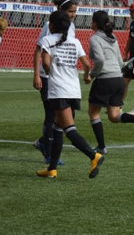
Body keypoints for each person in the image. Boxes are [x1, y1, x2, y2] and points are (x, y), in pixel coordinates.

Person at [36, 11, 105, 179]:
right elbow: (87, 64)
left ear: (51, 25)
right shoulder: (75, 41)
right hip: (74, 90)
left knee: (69, 129)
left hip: (59, 90)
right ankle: (52, 168)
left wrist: (49, 70)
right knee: (57, 127)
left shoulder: (47, 40)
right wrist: (87, 75)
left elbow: (45, 63)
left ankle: (93, 156)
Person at [87, 11, 134, 155]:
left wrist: (91, 75)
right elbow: (118, 60)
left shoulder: (94, 39)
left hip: (105, 79)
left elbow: (99, 60)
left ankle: (102, 147)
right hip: (118, 79)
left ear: (96, 23)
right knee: (113, 116)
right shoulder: (113, 37)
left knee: (93, 113)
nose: (90, 23)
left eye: (92, 21)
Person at [32, 0, 78, 166]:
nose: (73, 15)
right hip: (47, 76)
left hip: (61, 77)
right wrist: (37, 74)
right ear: (61, 11)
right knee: (52, 114)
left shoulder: (70, 26)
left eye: (74, 12)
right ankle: (49, 153)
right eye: (70, 11)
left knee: (68, 114)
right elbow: (38, 50)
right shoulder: (49, 26)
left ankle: (44, 142)